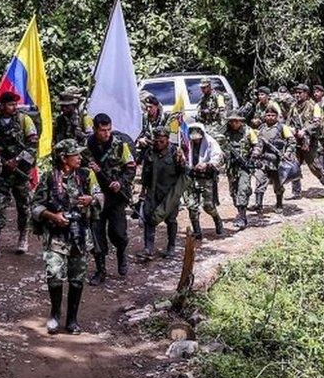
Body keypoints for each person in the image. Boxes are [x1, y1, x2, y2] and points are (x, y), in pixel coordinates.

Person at [32, 138, 102, 335]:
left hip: (79, 235)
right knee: (54, 275)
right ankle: (54, 314)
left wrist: (91, 199)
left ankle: (72, 319)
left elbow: (100, 196)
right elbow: (35, 206)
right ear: (64, 158)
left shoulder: (87, 175)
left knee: (77, 278)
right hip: (56, 236)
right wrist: (52, 216)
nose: (80, 158)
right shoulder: (49, 177)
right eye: (75, 155)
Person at [0, 91, 39, 259]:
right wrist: (1, 161)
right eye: (10, 104)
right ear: (2, 105)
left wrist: (17, 160)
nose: (14, 107)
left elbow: (33, 145)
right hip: (3, 172)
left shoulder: (24, 120)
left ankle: (23, 237)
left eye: (15, 104)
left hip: (21, 172)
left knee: (24, 206)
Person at [85, 114, 136, 283]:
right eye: (102, 130)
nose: (106, 133)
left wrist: (120, 182)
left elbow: (130, 167)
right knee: (97, 234)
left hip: (116, 197)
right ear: (95, 129)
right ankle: (101, 270)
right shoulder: (87, 146)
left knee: (118, 232)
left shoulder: (119, 144)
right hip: (96, 197)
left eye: (108, 129)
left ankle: (122, 253)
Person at [139, 127, 186, 259]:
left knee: (170, 220)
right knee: (149, 219)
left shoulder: (175, 152)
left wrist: (181, 161)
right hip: (153, 192)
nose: (158, 144)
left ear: (167, 140)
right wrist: (143, 192)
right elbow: (145, 173)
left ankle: (171, 247)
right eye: (156, 141)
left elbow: (183, 173)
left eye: (162, 141)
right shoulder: (150, 152)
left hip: (169, 194)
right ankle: (148, 248)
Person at [288, 84, 324, 198]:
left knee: (314, 167)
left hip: (309, 142)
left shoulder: (314, 106)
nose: (297, 95)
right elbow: (287, 123)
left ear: (306, 94)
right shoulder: (293, 107)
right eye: (296, 92)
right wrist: (290, 129)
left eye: (300, 92)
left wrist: (305, 130)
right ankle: (296, 192)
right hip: (296, 141)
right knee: (294, 165)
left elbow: (317, 123)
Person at [184, 123, 225, 239]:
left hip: (206, 177)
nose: (196, 141)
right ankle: (197, 231)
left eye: (198, 138)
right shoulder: (186, 143)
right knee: (192, 206)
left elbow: (218, 157)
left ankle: (217, 220)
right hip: (191, 177)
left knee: (208, 206)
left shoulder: (211, 142)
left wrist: (207, 165)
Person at [252, 109, 296, 213]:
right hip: (263, 160)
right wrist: (256, 152)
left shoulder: (282, 127)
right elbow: (258, 143)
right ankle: (259, 205)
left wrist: (288, 152)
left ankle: (279, 204)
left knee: (278, 184)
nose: (270, 117)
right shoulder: (261, 128)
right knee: (259, 180)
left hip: (277, 161)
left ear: (276, 116)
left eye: (272, 115)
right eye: (268, 115)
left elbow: (292, 141)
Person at [223, 111, 257, 229]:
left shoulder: (248, 131)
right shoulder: (225, 132)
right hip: (231, 167)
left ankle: (242, 217)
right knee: (234, 192)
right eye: (231, 121)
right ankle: (240, 211)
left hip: (244, 166)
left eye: (236, 121)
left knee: (243, 189)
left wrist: (252, 159)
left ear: (240, 121)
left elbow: (256, 145)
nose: (234, 123)